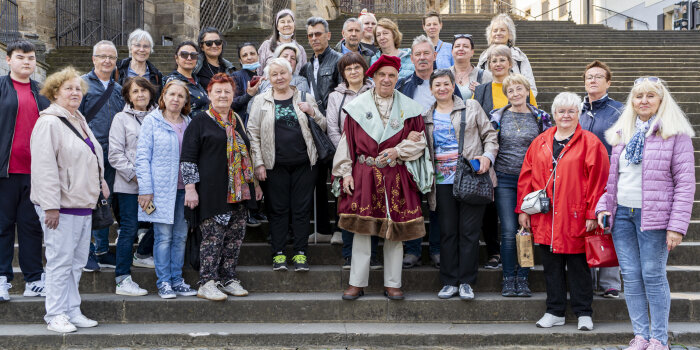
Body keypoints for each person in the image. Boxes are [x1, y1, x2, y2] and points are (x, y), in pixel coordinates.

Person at [596, 77, 695, 350]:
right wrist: (604, 206)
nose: (644, 101)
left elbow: (685, 184)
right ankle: (640, 336)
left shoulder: (676, 134)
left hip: (654, 217)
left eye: (651, 96)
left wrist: (677, 226)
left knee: (652, 275)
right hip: (623, 216)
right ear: (632, 101)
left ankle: (659, 339)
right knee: (630, 275)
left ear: (661, 101)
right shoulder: (622, 133)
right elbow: (614, 180)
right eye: (639, 96)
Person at [333, 55, 433, 301]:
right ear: (373, 78)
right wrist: (345, 172)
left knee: (395, 231)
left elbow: (419, 143)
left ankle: (392, 283)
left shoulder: (409, 108)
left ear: (397, 79)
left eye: (391, 76)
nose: (386, 79)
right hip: (364, 173)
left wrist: (398, 150)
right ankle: (356, 282)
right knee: (361, 230)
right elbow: (347, 143)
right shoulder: (356, 108)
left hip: (396, 174)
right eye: (382, 75)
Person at [517, 92, 609, 331]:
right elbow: (527, 177)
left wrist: (592, 213)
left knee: (579, 266)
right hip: (545, 216)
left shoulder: (590, 142)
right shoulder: (541, 141)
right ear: (554, 114)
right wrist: (523, 210)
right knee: (551, 266)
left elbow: (599, 180)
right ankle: (554, 310)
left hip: (576, 215)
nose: (566, 115)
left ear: (578, 114)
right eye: (561, 111)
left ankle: (583, 312)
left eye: (571, 111)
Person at [31, 66, 109, 333]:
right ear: (55, 92)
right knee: (60, 262)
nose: (75, 92)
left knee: (76, 263)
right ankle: (54, 314)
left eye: (78, 88)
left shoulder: (78, 120)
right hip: (61, 206)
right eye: (69, 88)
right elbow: (44, 168)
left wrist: (101, 183)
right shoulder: (49, 122)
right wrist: (50, 205)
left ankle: (71, 309)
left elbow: (90, 156)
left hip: (82, 204)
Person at [181, 73, 261, 301]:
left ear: (234, 94)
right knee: (213, 239)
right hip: (211, 191)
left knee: (234, 238)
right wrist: (190, 188)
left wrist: (253, 184)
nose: (223, 95)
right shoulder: (199, 121)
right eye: (218, 91)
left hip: (239, 192)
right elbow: (188, 158)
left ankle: (228, 278)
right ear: (209, 94)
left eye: (227, 91)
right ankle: (207, 281)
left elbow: (246, 155)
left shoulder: (237, 119)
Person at [424, 69, 498, 300]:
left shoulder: (471, 107)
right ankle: (449, 281)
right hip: (442, 182)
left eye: (446, 84)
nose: (442, 88)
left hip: (470, 177)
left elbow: (490, 136)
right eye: (437, 85)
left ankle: (466, 281)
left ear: (453, 84)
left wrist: (487, 157)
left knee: (469, 232)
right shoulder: (426, 116)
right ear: (431, 89)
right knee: (447, 232)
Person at [248, 58, 325, 272]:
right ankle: (279, 253)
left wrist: (312, 111)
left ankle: (300, 253)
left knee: (301, 210)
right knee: (278, 210)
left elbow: (323, 125)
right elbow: (252, 133)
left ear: (291, 74)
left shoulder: (305, 96)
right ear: (269, 78)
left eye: (283, 73)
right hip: (274, 165)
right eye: (274, 74)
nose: (279, 77)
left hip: (305, 164)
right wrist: (258, 164)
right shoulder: (260, 101)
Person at [489, 74, 552, 297]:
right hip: (505, 179)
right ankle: (508, 279)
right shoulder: (497, 116)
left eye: (519, 89)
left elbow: (549, 147)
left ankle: (523, 278)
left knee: (527, 229)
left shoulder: (541, 117)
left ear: (527, 91)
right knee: (508, 230)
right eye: (511, 91)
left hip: (533, 181)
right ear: (506, 95)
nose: (515, 94)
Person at [135, 80, 197, 299]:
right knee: (163, 237)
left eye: (181, 96)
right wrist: (146, 189)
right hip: (160, 190)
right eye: (172, 94)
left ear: (186, 101)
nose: (176, 99)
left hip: (184, 189)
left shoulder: (189, 122)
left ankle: (177, 280)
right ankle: (164, 283)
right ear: (163, 97)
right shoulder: (152, 121)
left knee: (180, 236)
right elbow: (142, 157)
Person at [0, 40, 50, 302]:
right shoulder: (0, 86)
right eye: (21, 57)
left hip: (35, 172)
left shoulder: (41, 91)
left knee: (31, 227)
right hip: (5, 171)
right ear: (9, 60)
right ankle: (2, 278)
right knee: (3, 226)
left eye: (31, 58)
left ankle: (33, 279)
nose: (27, 62)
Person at [396, 35, 444, 269]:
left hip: (441, 151)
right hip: (411, 151)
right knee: (411, 202)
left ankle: (436, 249)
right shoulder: (403, 84)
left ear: (435, 55)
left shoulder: (445, 82)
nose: (422, 58)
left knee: (437, 204)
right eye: (418, 54)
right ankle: (413, 249)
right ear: (412, 58)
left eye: (427, 53)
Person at [325, 52, 377, 268]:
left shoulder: (375, 91)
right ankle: (348, 254)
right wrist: (346, 155)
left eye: (357, 67)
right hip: (345, 159)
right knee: (347, 205)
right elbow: (332, 128)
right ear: (343, 73)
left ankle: (371, 255)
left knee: (371, 206)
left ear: (364, 69)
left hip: (371, 159)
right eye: (349, 69)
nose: (353, 72)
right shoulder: (336, 96)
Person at [108, 77, 159, 296]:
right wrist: (138, 176)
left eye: (144, 90)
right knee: (129, 228)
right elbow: (115, 154)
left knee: (159, 221)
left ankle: (143, 253)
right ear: (128, 96)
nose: (140, 94)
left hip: (156, 187)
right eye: (135, 91)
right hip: (130, 186)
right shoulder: (121, 119)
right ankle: (122, 279)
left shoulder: (160, 117)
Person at [79, 40, 125, 272]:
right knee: (87, 203)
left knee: (104, 203)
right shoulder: (81, 85)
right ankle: (85, 252)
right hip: (88, 153)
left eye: (111, 57)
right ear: (94, 59)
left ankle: (102, 249)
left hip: (113, 154)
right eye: (102, 56)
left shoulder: (118, 89)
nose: (107, 61)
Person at [580, 60, 623, 299]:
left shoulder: (619, 110)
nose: (592, 80)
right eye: (589, 77)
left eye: (598, 76)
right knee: (584, 226)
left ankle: (609, 281)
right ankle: (586, 277)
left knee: (607, 226)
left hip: (609, 178)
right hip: (581, 178)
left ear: (608, 82)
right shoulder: (576, 109)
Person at [300, 16, 342, 244]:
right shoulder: (307, 65)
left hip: (333, 127)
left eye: (318, 33)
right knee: (316, 181)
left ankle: (339, 228)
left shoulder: (339, 60)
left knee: (337, 180)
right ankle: (323, 228)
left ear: (328, 35)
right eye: (310, 35)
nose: (314, 38)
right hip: (313, 129)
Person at [477, 14, 537, 96]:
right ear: (490, 35)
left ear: (510, 34)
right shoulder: (484, 57)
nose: (498, 33)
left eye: (502, 30)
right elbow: (478, 84)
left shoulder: (519, 56)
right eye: (495, 30)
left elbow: (530, 87)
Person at [474, 44, 536, 116]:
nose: (498, 64)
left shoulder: (523, 89)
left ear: (510, 63)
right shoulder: (480, 91)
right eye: (494, 61)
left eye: (502, 60)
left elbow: (535, 116)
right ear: (490, 66)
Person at [164, 41, 210, 116]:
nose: (189, 58)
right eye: (184, 55)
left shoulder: (196, 80)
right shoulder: (173, 81)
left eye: (193, 55)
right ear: (176, 58)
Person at [257, 9, 308, 76]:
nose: (286, 24)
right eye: (282, 22)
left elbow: (304, 74)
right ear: (277, 26)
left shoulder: (300, 49)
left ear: (294, 25)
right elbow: (259, 72)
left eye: (289, 21)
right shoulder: (266, 45)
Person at [114, 29, 163, 96]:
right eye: (137, 45)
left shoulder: (156, 75)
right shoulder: (118, 71)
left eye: (145, 46)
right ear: (130, 48)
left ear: (150, 49)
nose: (142, 50)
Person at [450, 34, 492, 100]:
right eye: (457, 46)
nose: (461, 49)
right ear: (452, 51)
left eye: (465, 46)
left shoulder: (485, 76)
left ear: (472, 52)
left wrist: (482, 92)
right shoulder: (443, 75)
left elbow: (491, 103)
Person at [231, 42, 262, 125]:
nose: (249, 57)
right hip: (245, 122)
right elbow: (232, 102)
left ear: (258, 56)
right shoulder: (236, 77)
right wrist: (248, 95)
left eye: (252, 54)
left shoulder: (264, 75)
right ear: (240, 60)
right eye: (245, 55)